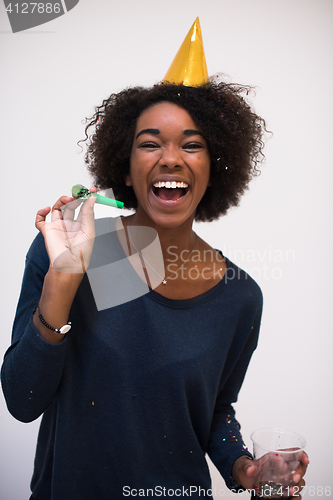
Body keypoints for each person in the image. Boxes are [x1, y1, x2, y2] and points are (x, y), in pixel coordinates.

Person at [1, 19, 308, 500]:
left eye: (192, 145)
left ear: (215, 166)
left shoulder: (239, 296)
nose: (170, 158)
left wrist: (246, 469)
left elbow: (213, 413)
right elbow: (23, 400)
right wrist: (64, 278)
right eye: (150, 143)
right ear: (124, 165)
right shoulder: (68, 252)